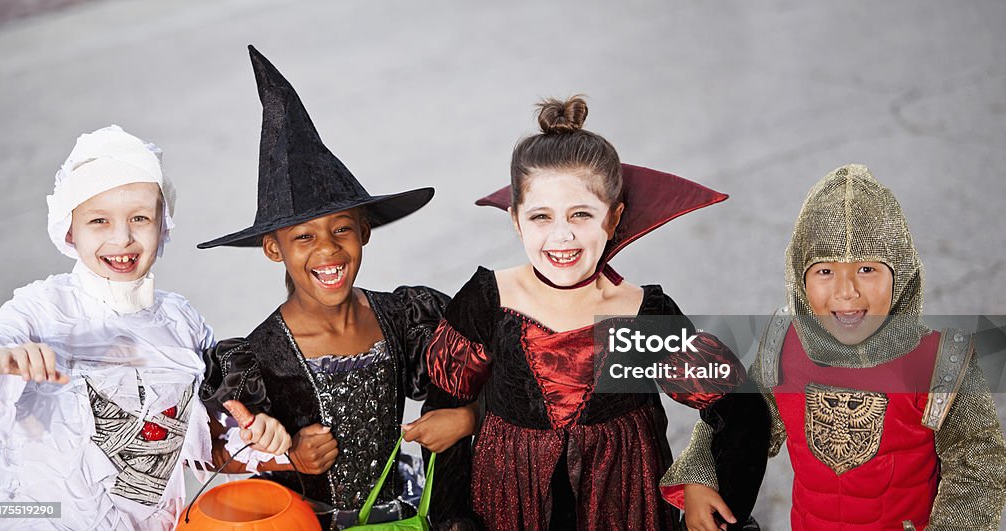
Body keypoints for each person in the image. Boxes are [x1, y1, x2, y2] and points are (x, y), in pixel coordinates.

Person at [423, 95, 760, 530]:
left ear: (614, 217)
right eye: (541, 216)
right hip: (508, 510)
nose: (561, 235)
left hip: (621, 510)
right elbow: (443, 410)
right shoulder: (489, 301)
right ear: (515, 220)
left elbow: (738, 406)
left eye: (581, 214)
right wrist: (452, 518)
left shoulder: (640, 315)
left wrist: (710, 486)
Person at [197, 46, 476, 529]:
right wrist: (291, 457)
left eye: (341, 229)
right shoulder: (255, 359)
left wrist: (467, 418)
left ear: (365, 230)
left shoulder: (407, 318)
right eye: (303, 237)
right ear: (273, 249)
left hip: (410, 516)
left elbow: (488, 372)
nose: (328, 250)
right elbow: (218, 452)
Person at [668, 163, 1006, 530]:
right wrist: (701, 476)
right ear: (800, 277)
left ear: (902, 272)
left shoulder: (941, 361)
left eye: (866, 270)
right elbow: (738, 417)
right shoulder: (784, 346)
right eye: (825, 271)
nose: (847, 291)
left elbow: (979, 462)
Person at [0, 125, 238, 530]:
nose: (122, 238)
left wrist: (262, 433)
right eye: (99, 221)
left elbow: (222, 420)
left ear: (163, 223)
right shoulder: (40, 311)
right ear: (69, 229)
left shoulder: (181, 322)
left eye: (140, 217)